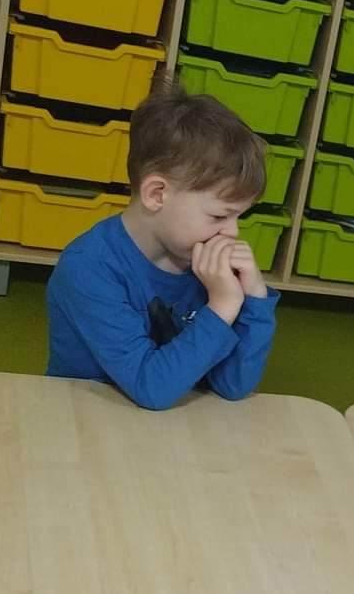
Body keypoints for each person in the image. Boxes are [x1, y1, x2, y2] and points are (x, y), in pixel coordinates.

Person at [46, 85, 277, 410]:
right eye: (219, 216)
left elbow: (232, 385)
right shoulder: (88, 268)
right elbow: (151, 388)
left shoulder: (202, 262)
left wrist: (254, 299)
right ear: (157, 194)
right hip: (85, 415)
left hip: (166, 424)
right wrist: (222, 306)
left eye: (239, 216)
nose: (232, 232)